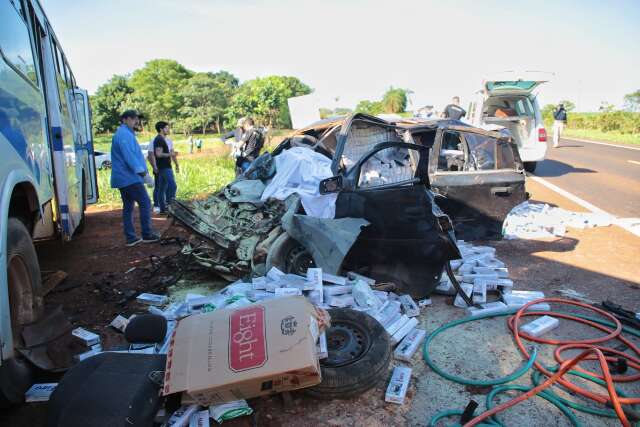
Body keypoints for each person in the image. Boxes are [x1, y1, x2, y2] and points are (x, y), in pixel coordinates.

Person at [110, 110, 159, 246]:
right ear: (124, 119)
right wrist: (144, 175)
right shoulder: (124, 135)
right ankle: (147, 234)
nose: (136, 121)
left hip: (124, 177)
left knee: (128, 207)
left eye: (136, 118)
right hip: (129, 177)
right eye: (133, 118)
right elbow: (130, 157)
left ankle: (131, 237)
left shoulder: (125, 134)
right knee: (145, 202)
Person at [152, 121, 178, 214]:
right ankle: (170, 205)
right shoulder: (159, 139)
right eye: (167, 128)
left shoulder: (161, 139)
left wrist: (176, 163)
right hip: (164, 167)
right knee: (172, 186)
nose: (168, 129)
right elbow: (158, 154)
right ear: (161, 129)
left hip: (163, 167)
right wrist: (170, 154)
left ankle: (163, 209)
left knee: (162, 188)